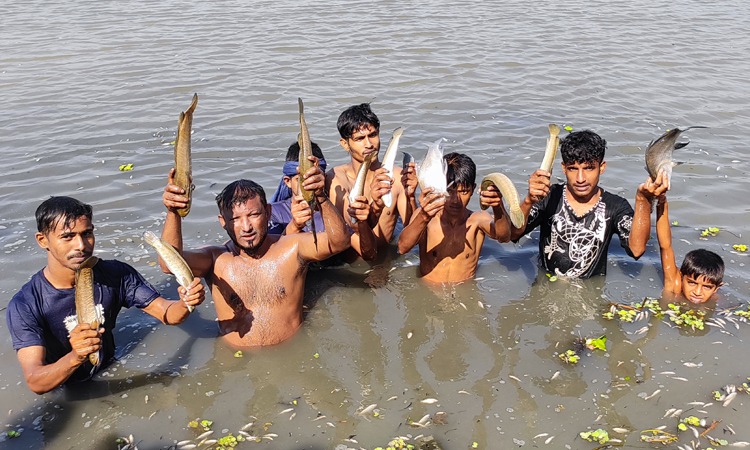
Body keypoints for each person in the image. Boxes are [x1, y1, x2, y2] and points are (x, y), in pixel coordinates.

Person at [6, 197, 205, 394]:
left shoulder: (116, 275)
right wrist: (76, 356)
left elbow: (168, 314)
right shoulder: (26, 304)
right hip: (65, 391)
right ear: (43, 240)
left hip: (111, 366)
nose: (81, 245)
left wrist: (186, 302)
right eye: (68, 236)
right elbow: (36, 382)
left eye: (87, 233)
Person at [160, 156, 350, 347]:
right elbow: (169, 264)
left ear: (268, 212)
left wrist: (321, 197)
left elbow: (339, 242)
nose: (246, 227)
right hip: (236, 365)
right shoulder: (215, 260)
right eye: (235, 219)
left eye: (254, 214)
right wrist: (173, 211)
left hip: (292, 357)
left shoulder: (292, 248)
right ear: (223, 222)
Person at [510, 130, 653, 278]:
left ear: (602, 167)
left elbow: (636, 249)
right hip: (546, 281)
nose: (580, 179)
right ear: (564, 168)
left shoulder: (615, 206)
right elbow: (513, 234)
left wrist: (643, 201)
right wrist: (528, 201)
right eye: (573, 168)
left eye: (588, 168)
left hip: (589, 289)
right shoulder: (549, 197)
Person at [397, 153, 512, 282]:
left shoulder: (477, 221)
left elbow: (504, 237)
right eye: (449, 191)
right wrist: (423, 216)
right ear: (438, 187)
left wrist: (497, 207)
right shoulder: (426, 217)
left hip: (464, 295)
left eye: (463, 192)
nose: (455, 200)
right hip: (429, 291)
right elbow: (402, 248)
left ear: (473, 189)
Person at [326, 103, 417, 261]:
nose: (369, 144)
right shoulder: (336, 179)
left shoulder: (396, 176)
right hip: (349, 266)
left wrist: (411, 196)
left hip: (384, 260)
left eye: (373, 135)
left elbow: (411, 231)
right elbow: (354, 230)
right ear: (345, 144)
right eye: (360, 138)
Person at [641, 171, 724, 303]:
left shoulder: (719, 303)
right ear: (681, 277)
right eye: (691, 283)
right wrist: (662, 201)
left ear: (716, 288)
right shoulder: (674, 287)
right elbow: (665, 245)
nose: (697, 292)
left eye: (707, 287)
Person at [268, 141, 327, 235]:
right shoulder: (273, 212)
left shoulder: (336, 207)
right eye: (301, 180)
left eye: (313, 178)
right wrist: (294, 226)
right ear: (288, 181)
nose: (308, 185)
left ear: (323, 178)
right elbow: (273, 248)